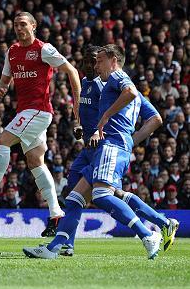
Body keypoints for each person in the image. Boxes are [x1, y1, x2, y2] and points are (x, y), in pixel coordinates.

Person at [23, 44, 175, 260]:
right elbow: (155, 119)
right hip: (104, 146)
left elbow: (132, 95)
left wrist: (104, 122)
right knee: (75, 197)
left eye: (98, 61)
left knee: (104, 194)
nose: (94, 66)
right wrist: (130, 141)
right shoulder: (100, 84)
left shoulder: (115, 80)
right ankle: (55, 247)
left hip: (108, 145)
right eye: (91, 61)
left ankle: (149, 232)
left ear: (112, 60)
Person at [0, 12, 82, 231]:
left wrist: (76, 104)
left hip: (38, 111)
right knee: (35, 161)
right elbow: (5, 77)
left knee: (2, 141)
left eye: (22, 24)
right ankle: (56, 213)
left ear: (33, 26)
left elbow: (71, 70)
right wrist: (2, 88)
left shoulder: (43, 49)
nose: (19, 28)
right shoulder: (12, 51)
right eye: (15, 25)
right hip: (26, 113)